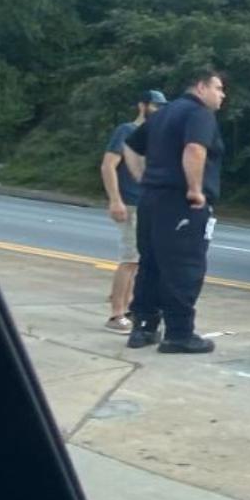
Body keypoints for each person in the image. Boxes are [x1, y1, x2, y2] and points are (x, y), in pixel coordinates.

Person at [125, 70, 227, 353]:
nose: (222, 95)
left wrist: (143, 178)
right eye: (218, 88)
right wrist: (195, 189)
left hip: (151, 200)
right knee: (184, 266)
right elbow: (195, 149)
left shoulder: (162, 114)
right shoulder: (199, 114)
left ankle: (143, 328)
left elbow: (131, 146)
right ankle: (179, 334)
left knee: (151, 264)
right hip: (181, 203)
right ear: (200, 86)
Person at [100, 90, 165, 333]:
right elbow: (108, 166)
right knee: (129, 259)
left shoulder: (153, 135)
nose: (159, 111)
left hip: (146, 203)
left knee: (138, 261)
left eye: (162, 107)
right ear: (143, 106)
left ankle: (125, 307)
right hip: (129, 201)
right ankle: (116, 315)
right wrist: (115, 200)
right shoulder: (126, 130)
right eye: (156, 106)